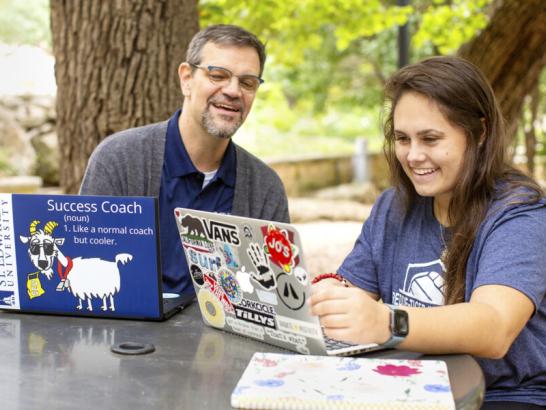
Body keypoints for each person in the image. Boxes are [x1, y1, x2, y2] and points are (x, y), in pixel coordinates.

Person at [309, 56, 546, 409]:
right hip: (407, 384)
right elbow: (349, 288)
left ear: (480, 133)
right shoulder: (393, 205)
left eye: (431, 139)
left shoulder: (521, 214)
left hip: (504, 396)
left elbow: (494, 326)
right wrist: (329, 296)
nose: (414, 155)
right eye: (402, 139)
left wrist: (386, 322)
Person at [80, 24, 289, 295]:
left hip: (222, 338)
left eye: (247, 82)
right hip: (127, 336)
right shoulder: (119, 160)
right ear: (186, 78)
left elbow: (274, 297)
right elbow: (89, 270)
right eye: (218, 75)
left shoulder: (265, 188)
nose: (234, 91)